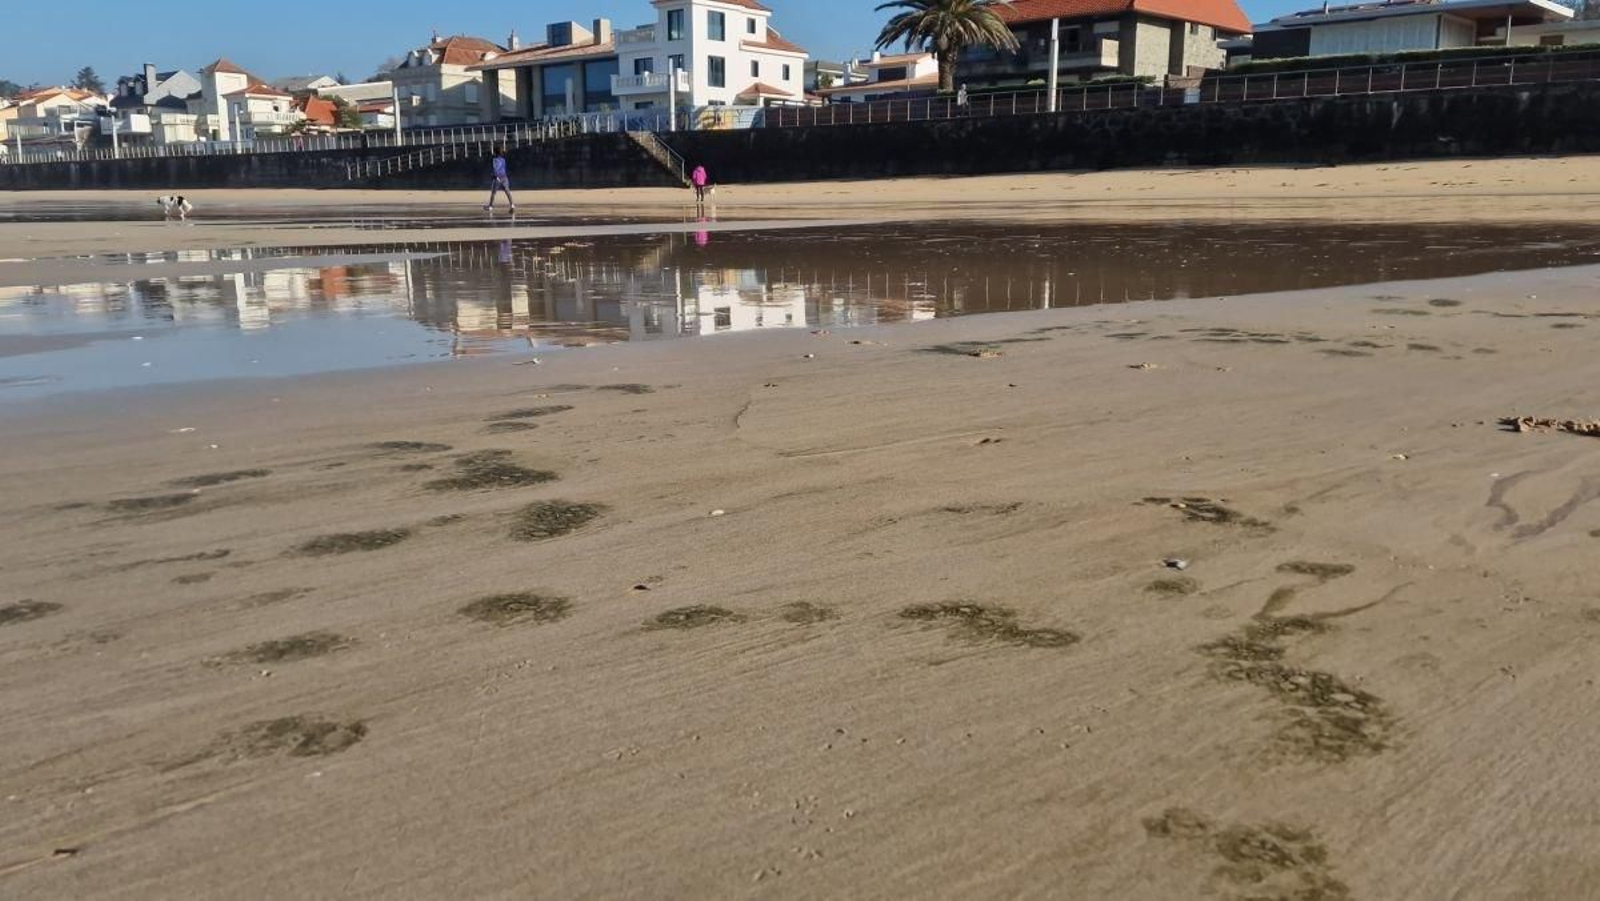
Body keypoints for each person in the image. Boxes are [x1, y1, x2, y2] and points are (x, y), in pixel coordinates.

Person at [485, 147, 516, 213]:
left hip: (498, 178)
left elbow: (495, 168)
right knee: (507, 192)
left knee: (493, 193)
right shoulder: (503, 160)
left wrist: (495, 176)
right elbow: (503, 168)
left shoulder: (494, 160)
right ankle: (512, 205)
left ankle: (490, 206)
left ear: (495, 153)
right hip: (504, 177)